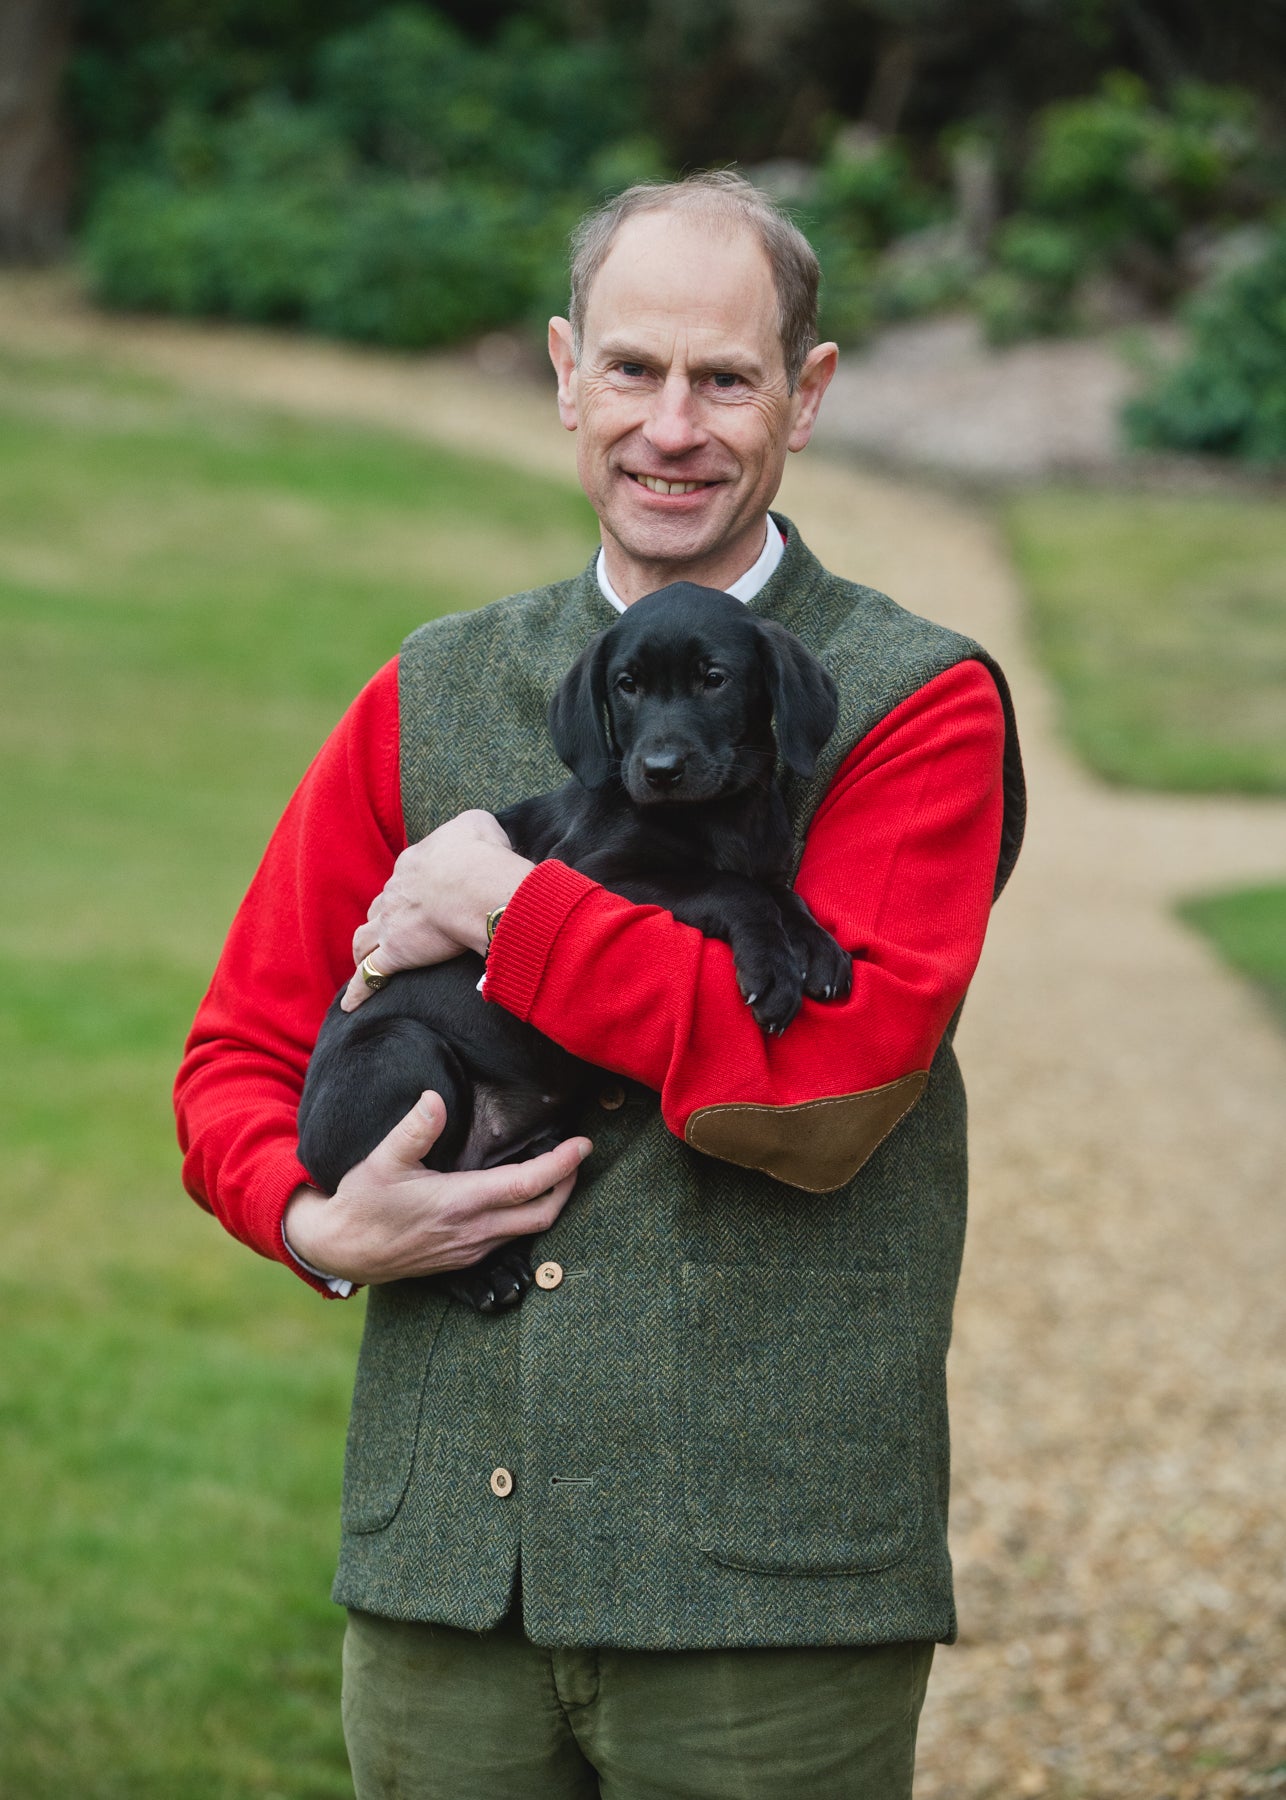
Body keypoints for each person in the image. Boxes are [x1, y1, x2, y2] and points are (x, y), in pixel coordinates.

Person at [175, 170, 1024, 1798]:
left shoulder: (912, 702)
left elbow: (823, 1088)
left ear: (809, 392)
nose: (673, 426)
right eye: (632, 370)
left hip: (758, 1590)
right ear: (566, 374)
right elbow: (241, 1047)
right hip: (443, 1578)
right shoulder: (431, 687)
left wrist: (508, 909)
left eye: (726, 377)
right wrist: (309, 1223)